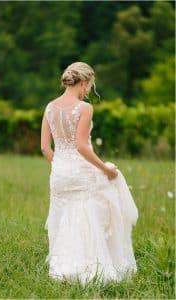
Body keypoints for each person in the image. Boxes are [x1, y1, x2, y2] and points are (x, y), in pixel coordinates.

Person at [41, 62, 139, 286]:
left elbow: (45, 148)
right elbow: (82, 147)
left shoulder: (49, 107)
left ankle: (62, 266)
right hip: (81, 171)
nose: (88, 91)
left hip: (59, 173)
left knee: (63, 216)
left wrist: (60, 166)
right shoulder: (84, 108)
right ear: (84, 83)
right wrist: (106, 169)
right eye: (89, 86)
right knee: (102, 204)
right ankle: (95, 266)